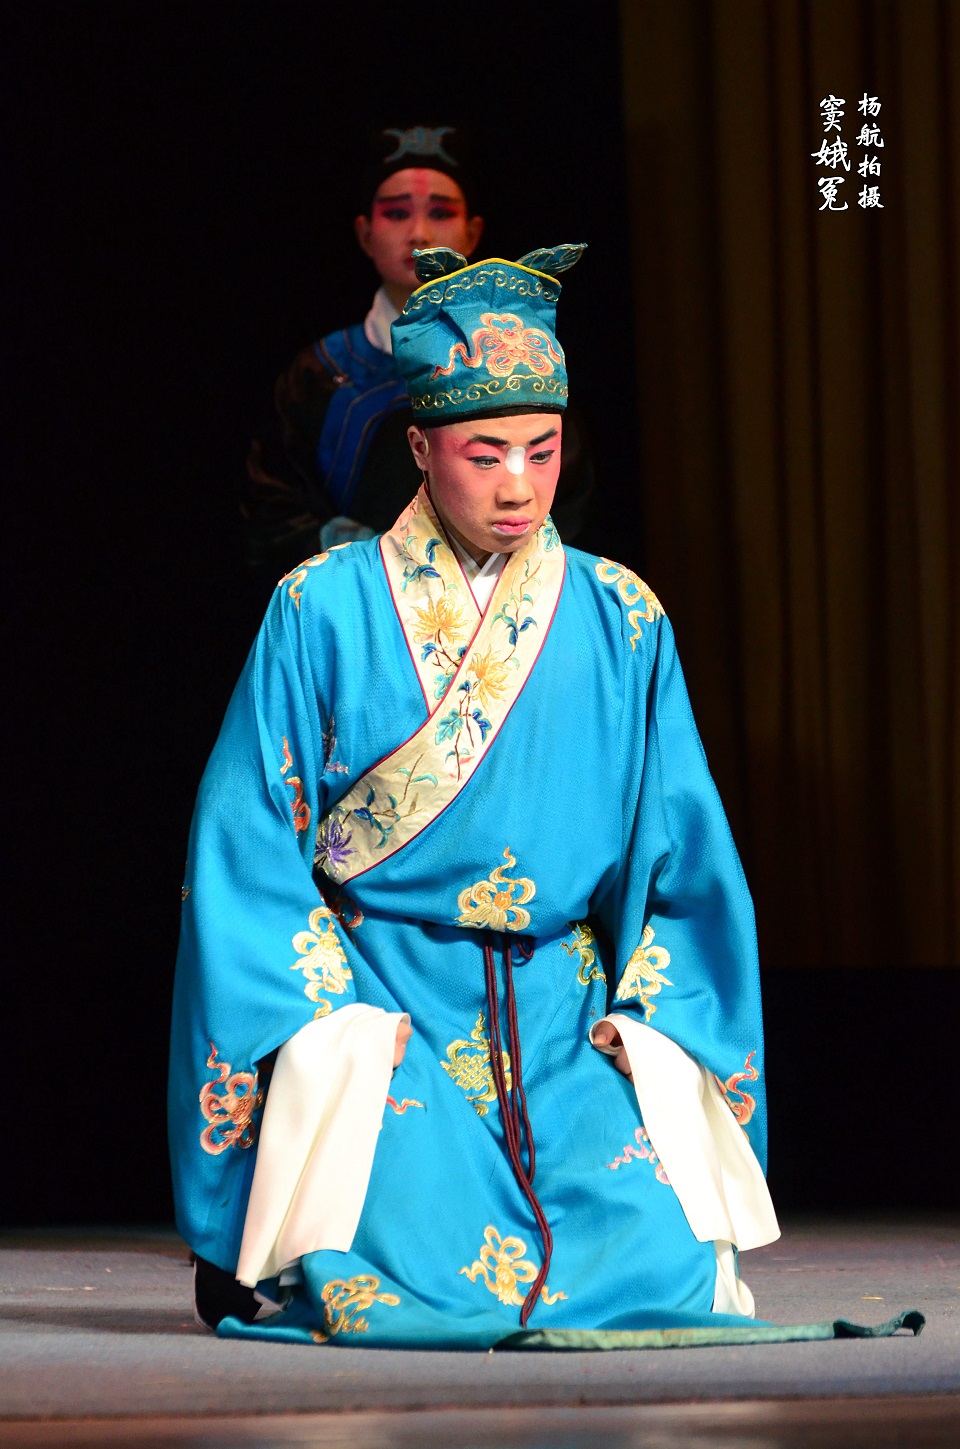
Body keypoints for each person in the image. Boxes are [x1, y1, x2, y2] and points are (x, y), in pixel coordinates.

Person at [170, 240, 783, 1347]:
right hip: (384, 1003)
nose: (516, 485)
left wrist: (647, 1015)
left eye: (542, 451)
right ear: (419, 447)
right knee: (406, 1267)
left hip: (563, 1012)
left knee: (657, 1265)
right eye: (484, 451)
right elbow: (246, 848)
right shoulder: (319, 607)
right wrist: (330, 1010)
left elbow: (685, 861)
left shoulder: (622, 617)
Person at [242, 127, 593, 580]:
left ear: (473, 231)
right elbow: (272, 513)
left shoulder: (524, 357)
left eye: (441, 213)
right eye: (396, 213)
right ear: (365, 233)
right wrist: (369, 566)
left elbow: (570, 503)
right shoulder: (321, 372)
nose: (420, 234)